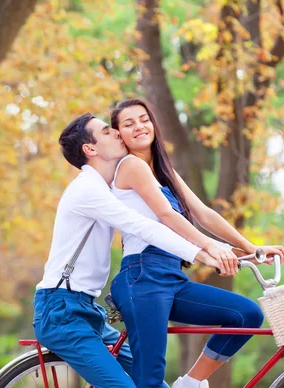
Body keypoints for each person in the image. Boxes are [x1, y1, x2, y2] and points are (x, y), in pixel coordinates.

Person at [33, 112, 233, 388]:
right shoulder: (87, 190)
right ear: (90, 149)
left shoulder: (107, 187)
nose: (116, 133)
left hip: (86, 310)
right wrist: (202, 253)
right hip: (61, 310)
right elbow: (144, 227)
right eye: (106, 131)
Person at [109, 98, 284, 388]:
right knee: (149, 379)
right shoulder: (130, 166)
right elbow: (166, 215)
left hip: (170, 277)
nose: (139, 127)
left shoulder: (163, 172)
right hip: (142, 278)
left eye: (144, 119)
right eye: (128, 124)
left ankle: (189, 383)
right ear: (119, 135)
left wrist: (252, 248)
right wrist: (210, 247)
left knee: (246, 314)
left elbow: (204, 214)